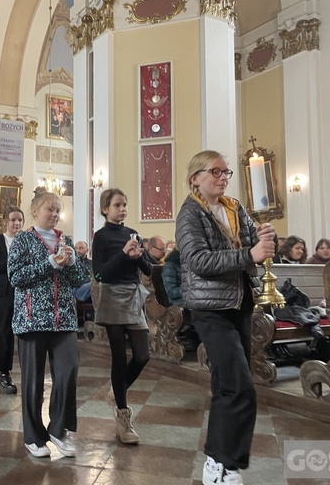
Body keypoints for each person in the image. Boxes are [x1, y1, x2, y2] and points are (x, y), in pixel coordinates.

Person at [176, 150, 275, 485]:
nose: (222, 177)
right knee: (239, 386)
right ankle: (226, 461)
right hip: (210, 308)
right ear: (195, 178)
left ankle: (216, 462)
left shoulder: (234, 207)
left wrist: (261, 240)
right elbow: (200, 261)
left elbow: (249, 247)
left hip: (240, 303)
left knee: (225, 386)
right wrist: (249, 253)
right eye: (214, 171)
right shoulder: (190, 213)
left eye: (226, 172)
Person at [8, 188, 85, 458]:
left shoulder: (66, 240)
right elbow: (15, 276)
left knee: (68, 372)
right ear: (35, 211)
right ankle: (33, 436)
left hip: (63, 318)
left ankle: (59, 430)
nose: (54, 214)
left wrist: (74, 262)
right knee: (33, 381)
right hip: (32, 320)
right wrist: (50, 262)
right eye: (49, 209)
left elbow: (78, 280)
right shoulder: (23, 240)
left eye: (57, 209)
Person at [92, 188, 152, 445]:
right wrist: (123, 254)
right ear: (106, 208)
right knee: (119, 357)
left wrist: (138, 258)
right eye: (117, 204)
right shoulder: (101, 236)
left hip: (133, 295)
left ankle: (116, 391)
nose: (122, 209)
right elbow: (100, 274)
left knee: (142, 355)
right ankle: (123, 419)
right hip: (112, 296)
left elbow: (149, 268)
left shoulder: (133, 234)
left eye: (125, 204)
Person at [0, 205, 25, 394]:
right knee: (3, 332)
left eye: (20, 219)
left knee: (26, 333)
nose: (17, 223)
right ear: (5, 222)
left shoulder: (27, 241)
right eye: (13, 219)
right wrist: (12, 261)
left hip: (24, 292)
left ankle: (28, 371)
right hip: (4, 293)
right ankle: (4, 373)